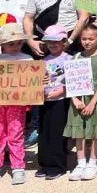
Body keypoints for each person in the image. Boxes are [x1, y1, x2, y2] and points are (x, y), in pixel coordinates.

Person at [0, 23, 33, 185]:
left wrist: (42, 79)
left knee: (16, 133)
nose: (16, 46)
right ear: (2, 44)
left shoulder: (27, 60)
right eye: (11, 43)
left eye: (19, 43)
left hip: (16, 103)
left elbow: (34, 80)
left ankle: (18, 167)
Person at [64, 22, 97, 182]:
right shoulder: (76, 57)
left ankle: (93, 162)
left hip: (96, 101)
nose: (87, 42)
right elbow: (70, 81)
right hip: (78, 100)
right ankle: (80, 162)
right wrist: (75, 99)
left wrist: (92, 103)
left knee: (94, 132)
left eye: (91, 38)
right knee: (79, 133)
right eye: (84, 39)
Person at [38, 25, 72, 180]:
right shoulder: (42, 61)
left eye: (56, 41)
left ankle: (57, 165)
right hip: (44, 100)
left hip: (61, 101)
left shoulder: (70, 59)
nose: (52, 44)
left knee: (57, 133)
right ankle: (44, 163)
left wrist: (63, 90)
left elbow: (74, 81)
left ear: (64, 41)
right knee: (44, 132)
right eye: (49, 42)